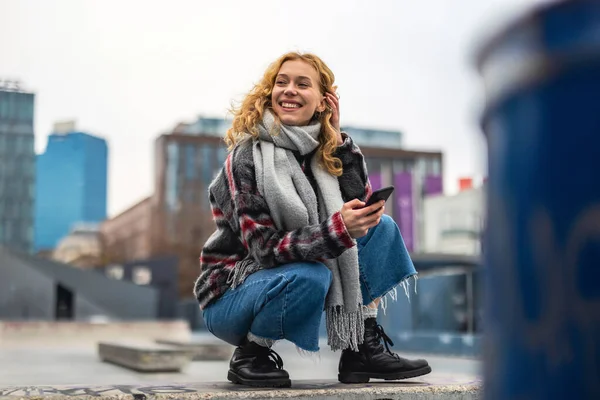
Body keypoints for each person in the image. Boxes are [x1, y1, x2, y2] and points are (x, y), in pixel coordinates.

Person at [194, 52, 431, 388]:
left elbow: (359, 212)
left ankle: (360, 346)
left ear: (323, 102)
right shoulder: (246, 158)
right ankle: (251, 353)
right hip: (232, 296)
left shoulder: (327, 151)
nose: (289, 90)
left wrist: (336, 141)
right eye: (282, 82)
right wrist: (338, 230)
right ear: (270, 93)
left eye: (302, 84)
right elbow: (265, 250)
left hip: (295, 273)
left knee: (382, 227)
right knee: (309, 274)